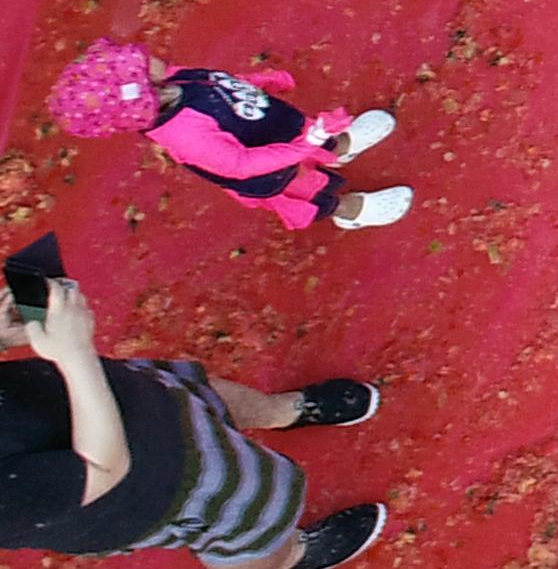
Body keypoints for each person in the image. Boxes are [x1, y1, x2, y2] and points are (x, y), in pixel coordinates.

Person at [0, 237, 399, 566]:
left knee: (204, 397)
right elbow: (104, 468)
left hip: (119, 394)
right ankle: (293, 556)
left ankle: (282, 412)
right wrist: (75, 354)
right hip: (151, 486)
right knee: (247, 522)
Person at [43, 43, 408, 235]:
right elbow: (240, 166)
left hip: (277, 128)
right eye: (141, 64)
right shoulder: (185, 135)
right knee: (308, 194)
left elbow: (218, 82)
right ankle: (349, 211)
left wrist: (257, 82)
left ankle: (339, 148)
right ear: (142, 97)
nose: (149, 55)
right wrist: (300, 148)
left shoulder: (174, 79)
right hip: (272, 174)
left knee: (317, 137)